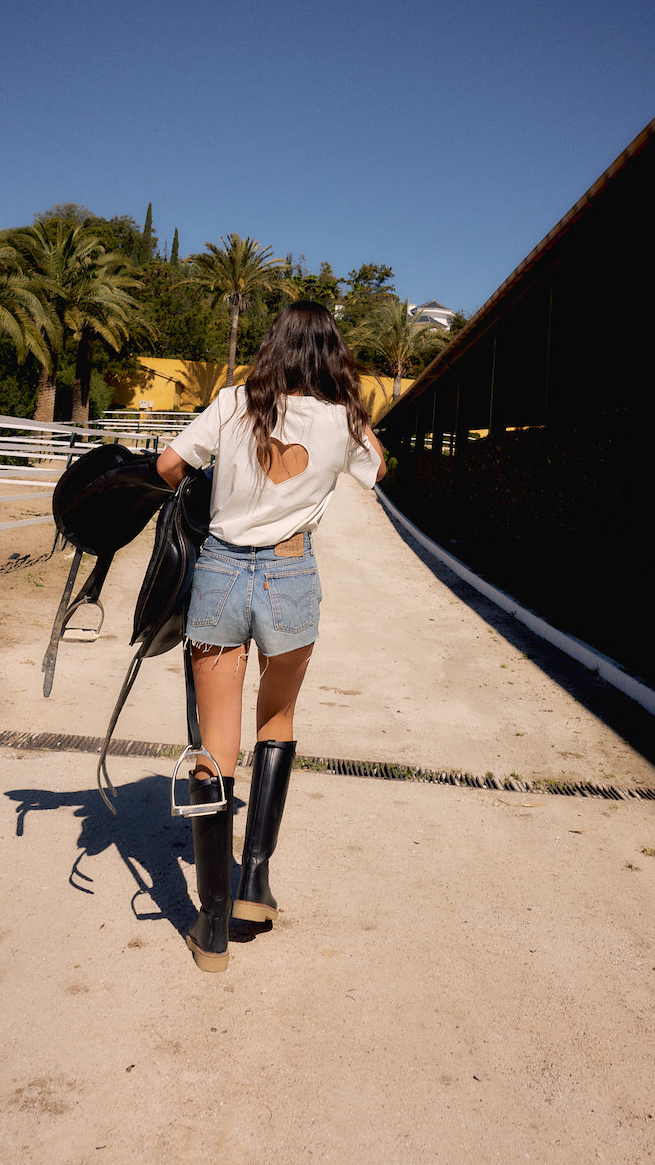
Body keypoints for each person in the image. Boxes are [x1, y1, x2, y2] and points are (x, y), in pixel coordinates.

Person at [156, 300, 386, 971]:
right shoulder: (344, 420)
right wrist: (356, 416)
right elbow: (381, 467)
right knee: (277, 719)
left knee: (214, 743)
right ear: (331, 354)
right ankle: (255, 880)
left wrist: (216, 480)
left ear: (274, 346)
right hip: (291, 574)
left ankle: (213, 925)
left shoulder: (233, 404)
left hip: (222, 570)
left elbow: (170, 468)